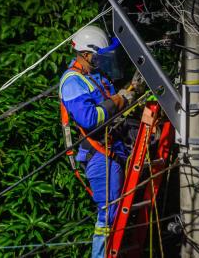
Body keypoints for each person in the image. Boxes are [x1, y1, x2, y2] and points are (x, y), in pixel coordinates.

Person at [59, 25, 134, 258]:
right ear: (87, 54)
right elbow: (90, 118)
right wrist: (119, 101)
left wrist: (130, 92)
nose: (102, 60)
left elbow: (113, 102)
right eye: (98, 55)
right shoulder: (72, 82)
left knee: (120, 212)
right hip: (99, 156)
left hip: (114, 149)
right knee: (108, 215)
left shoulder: (95, 75)